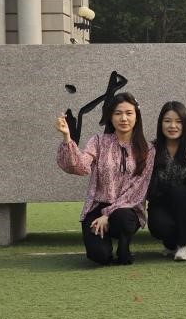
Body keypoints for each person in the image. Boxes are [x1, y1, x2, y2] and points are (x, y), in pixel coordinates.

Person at [55, 92, 154, 265]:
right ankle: (105, 246)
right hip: (98, 206)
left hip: (128, 208)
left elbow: (137, 189)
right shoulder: (98, 141)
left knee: (123, 219)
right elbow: (80, 166)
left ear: (137, 117)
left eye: (129, 113)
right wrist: (66, 137)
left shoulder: (148, 149)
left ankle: (124, 246)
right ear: (110, 117)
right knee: (99, 256)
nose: (124, 118)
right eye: (118, 113)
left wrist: (108, 215)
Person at [146, 101, 186, 261]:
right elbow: (149, 185)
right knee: (159, 227)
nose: (173, 126)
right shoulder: (151, 149)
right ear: (161, 123)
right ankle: (172, 243)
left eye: (178, 122)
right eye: (167, 121)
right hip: (162, 202)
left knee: (180, 191)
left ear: (185, 124)